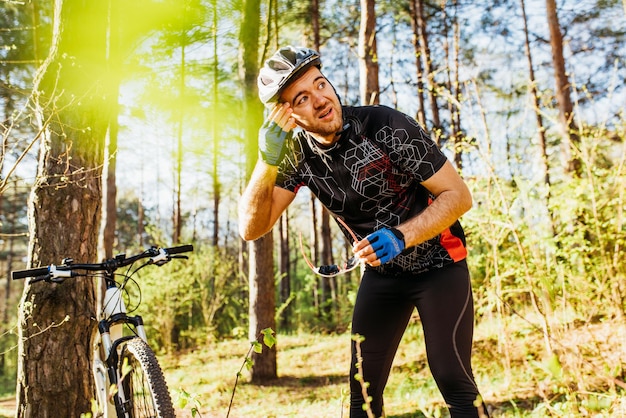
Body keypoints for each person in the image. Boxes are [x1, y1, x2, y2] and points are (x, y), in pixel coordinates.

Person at [239, 45, 488, 418]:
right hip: (383, 277)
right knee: (363, 394)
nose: (320, 100)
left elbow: (459, 196)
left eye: (321, 84)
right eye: (302, 98)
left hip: (440, 264)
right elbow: (251, 228)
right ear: (286, 115)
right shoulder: (294, 156)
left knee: (453, 377)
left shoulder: (386, 126)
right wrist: (266, 162)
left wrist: (401, 236)